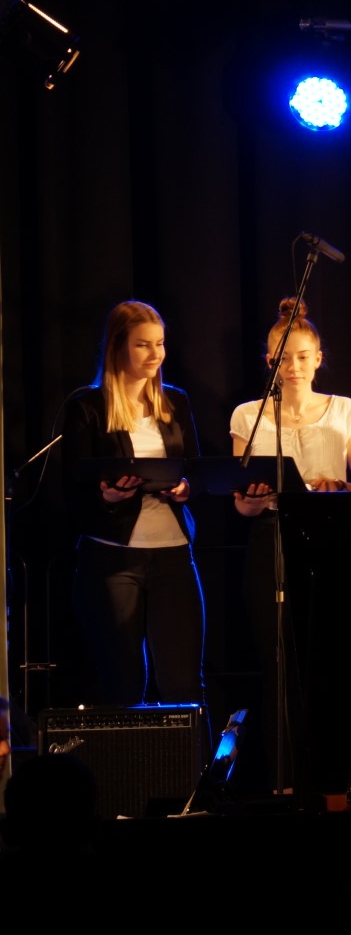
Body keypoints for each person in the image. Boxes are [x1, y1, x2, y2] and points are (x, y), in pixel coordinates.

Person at [231, 297, 351, 792]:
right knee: (277, 663)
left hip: (330, 537)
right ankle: (284, 781)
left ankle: (335, 779)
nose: (293, 366)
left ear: (318, 359)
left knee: (331, 660)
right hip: (270, 537)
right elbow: (241, 504)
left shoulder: (346, 410)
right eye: (283, 357)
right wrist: (254, 497)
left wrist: (338, 484)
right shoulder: (248, 415)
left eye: (303, 356)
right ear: (269, 360)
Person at [60, 301, 209, 734]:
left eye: (159, 344)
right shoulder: (87, 406)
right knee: (122, 683)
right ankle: (131, 772)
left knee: (184, 682)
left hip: (173, 555)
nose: (155, 354)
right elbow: (71, 488)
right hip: (112, 559)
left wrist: (186, 488)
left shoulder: (175, 401)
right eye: (143, 344)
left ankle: (194, 774)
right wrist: (107, 497)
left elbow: (195, 470)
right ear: (117, 346)